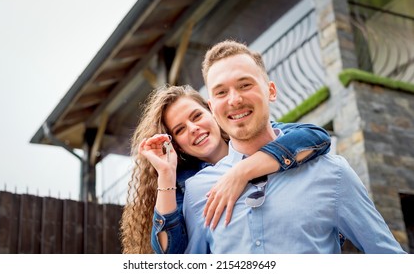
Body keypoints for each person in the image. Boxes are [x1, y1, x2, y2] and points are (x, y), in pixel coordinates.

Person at [183, 40, 406, 253]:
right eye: (221, 92)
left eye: (245, 85)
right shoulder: (198, 191)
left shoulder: (332, 172)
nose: (234, 100)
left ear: (271, 91)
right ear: (212, 107)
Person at [120, 84, 333, 254]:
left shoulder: (252, 137)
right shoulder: (187, 187)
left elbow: (317, 137)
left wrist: (242, 172)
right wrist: (166, 175)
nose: (193, 129)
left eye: (196, 116)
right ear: (175, 144)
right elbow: (170, 253)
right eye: (180, 129)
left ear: (212, 112)